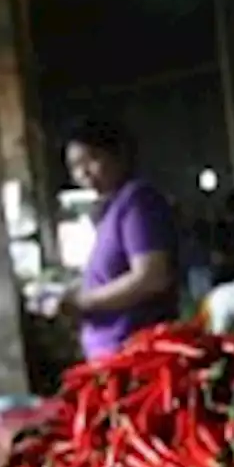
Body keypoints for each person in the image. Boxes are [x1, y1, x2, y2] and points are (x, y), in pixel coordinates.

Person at [58, 117, 178, 359]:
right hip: (113, 353)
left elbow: (152, 277)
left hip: (135, 352)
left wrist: (84, 301)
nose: (83, 173)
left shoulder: (139, 201)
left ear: (120, 154)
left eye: (92, 159)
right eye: (75, 167)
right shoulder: (113, 208)